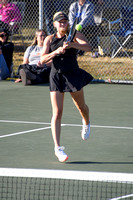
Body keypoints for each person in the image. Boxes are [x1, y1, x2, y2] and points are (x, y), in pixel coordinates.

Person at [41, 12, 93, 162]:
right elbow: (43, 59)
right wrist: (56, 52)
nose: (63, 24)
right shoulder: (49, 39)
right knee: (57, 113)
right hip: (56, 76)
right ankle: (57, 148)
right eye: (60, 22)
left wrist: (72, 44)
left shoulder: (75, 34)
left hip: (72, 74)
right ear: (55, 24)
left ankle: (86, 122)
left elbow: (88, 47)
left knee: (81, 106)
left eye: (65, 21)